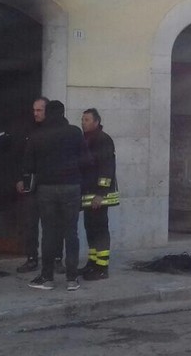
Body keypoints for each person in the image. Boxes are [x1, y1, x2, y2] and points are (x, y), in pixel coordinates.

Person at [22, 100, 83, 292]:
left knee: (49, 232)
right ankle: (72, 279)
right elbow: (85, 159)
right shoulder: (75, 132)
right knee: (71, 232)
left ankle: (47, 278)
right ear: (63, 113)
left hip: (46, 188)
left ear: (47, 114)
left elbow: (28, 165)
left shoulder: (37, 135)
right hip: (71, 186)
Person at [80, 108, 120, 280]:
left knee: (100, 229)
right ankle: (92, 263)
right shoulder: (87, 139)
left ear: (96, 122)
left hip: (99, 196)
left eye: (87, 120)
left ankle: (102, 267)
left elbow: (106, 168)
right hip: (89, 194)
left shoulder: (103, 140)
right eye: (82, 119)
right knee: (90, 228)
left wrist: (100, 193)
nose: (83, 122)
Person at [15, 97, 48, 274]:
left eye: (39, 110)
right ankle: (31, 258)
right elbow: (19, 156)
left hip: (49, 183)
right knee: (30, 223)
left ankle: (55, 259)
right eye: (34, 110)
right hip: (31, 184)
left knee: (52, 224)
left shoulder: (54, 130)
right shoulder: (28, 130)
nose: (35, 113)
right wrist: (19, 178)